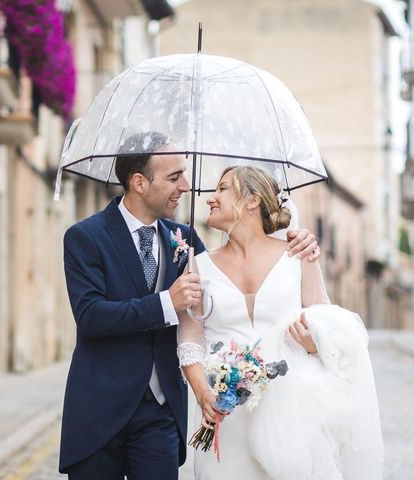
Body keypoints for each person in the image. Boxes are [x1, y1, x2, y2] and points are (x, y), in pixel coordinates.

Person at [59, 133, 322, 479]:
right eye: (173, 177)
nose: (185, 186)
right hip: (100, 411)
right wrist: (166, 303)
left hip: (161, 415)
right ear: (139, 182)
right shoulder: (85, 237)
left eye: (183, 174)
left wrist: (293, 238)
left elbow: (234, 260)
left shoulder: (184, 241)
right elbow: (91, 317)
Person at [177, 166, 384, 480]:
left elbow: (325, 320)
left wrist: (315, 344)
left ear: (252, 201)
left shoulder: (297, 255)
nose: (211, 199)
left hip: (291, 415)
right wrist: (204, 394)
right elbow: (189, 343)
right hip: (225, 413)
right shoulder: (197, 266)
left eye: (222, 189)